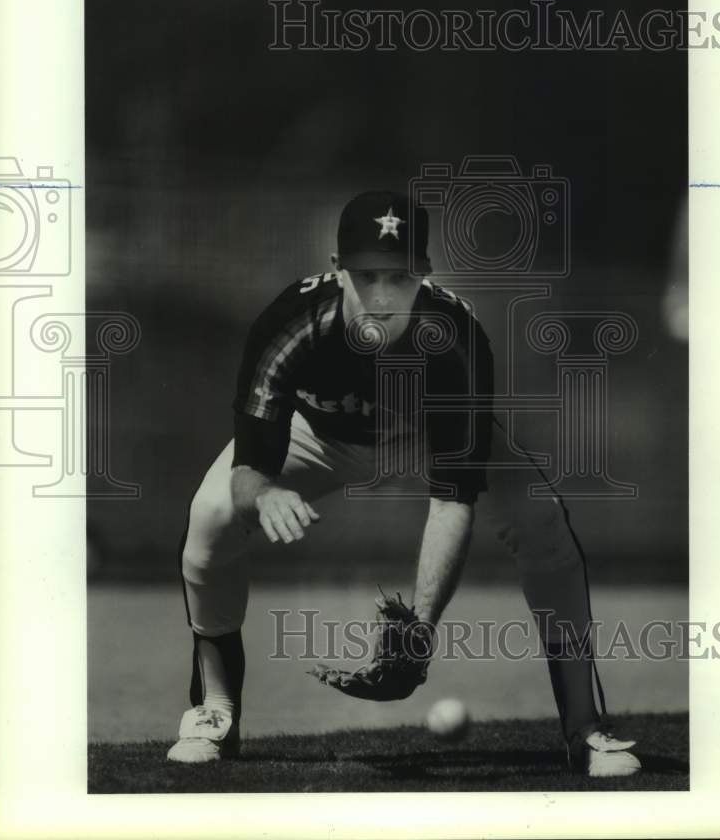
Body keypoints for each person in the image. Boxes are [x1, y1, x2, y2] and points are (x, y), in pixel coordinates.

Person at [167, 189, 640, 777]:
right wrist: (264, 494)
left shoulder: (456, 341)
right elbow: (248, 471)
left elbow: (452, 502)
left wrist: (419, 628)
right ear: (338, 271)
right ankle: (215, 710)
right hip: (317, 435)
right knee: (211, 514)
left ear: (425, 274)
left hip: (425, 435)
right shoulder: (290, 325)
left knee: (543, 526)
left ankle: (585, 729)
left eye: (401, 275)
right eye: (367, 275)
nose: (384, 294)